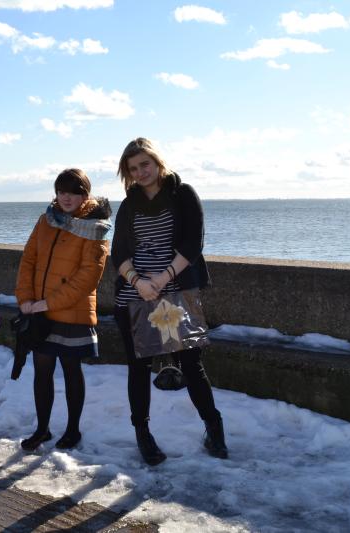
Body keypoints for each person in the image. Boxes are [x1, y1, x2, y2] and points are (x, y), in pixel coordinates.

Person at [110, 137, 228, 465]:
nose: (140, 172)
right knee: (139, 368)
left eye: (144, 164)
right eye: (133, 169)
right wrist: (138, 282)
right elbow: (118, 253)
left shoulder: (182, 194)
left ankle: (214, 429)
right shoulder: (129, 204)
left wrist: (161, 280)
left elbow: (193, 243)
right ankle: (143, 434)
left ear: (158, 162)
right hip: (135, 295)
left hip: (174, 293)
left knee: (191, 364)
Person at [15, 168, 111, 451]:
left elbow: (89, 276)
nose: (67, 197)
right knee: (42, 371)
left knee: (71, 370)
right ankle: (42, 429)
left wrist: (47, 303)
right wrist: (25, 298)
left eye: (74, 192)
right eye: (61, 191)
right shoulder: (46, 220)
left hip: (72, 312)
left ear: (85, 194)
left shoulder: (95, 226)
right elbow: (28, 260)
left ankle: (72, 430)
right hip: (40, 311)